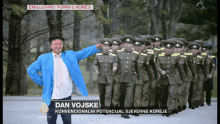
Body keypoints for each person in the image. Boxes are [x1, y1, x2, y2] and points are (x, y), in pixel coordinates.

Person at [27, 36, 104, 124]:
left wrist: (95, 48)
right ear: (51, 46)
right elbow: (31, 70)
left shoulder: (70, 55)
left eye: (60, 44)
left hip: (66, 97)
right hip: (51, 98)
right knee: (51, 121)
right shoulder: (44, 58)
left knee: (67, 121)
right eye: (56, 44)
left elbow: (82, 53)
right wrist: (42, 82)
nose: (58, 46)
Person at [156, 40, 187, 117]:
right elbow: (157, 66)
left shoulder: (176, 57)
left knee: (171, 94)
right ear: (164, 49)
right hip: (163, 79)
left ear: (172, 49)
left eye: (170, 49)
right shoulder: (160, 57)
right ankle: (164, 108)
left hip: (173, 79)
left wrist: (184, 78)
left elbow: (180, 68)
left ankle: (169, 109)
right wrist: (161, 71)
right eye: (166, 48)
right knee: (163, 94)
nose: (168, 50)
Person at [115, 34, 141, 119]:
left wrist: (139, 78)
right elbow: (115, 62)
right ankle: (123, 109)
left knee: (129, 96)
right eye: (126, 43)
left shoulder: (136, 54)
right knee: (120, 96)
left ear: (132, 45)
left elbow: (137, 67)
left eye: (129, 43)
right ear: (123, 44)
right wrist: (114, 66)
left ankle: (126, 112)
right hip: (121, 78)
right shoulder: (119, 53)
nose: (127, 45)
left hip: (131, 79)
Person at [93, 38, 118, 114]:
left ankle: (106, 108)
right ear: (102, 48)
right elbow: (95, 64)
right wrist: (96, 70)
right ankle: (103, 106)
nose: (106, 48)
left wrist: (114, 67)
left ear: (109, 48)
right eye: (104, 47)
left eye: (107, 47)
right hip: (101, 78)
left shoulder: (113, 56)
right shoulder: (98, 55)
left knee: (108, 94)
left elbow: (115, 62)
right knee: (102, 94)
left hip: (109, 78)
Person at [110, 37, 123, 108]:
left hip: (118, 75)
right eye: (113, 45)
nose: (114, 47)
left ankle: (115, 105)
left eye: (116, 46)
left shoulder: (121, 54)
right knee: (109, 91)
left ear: (119, 46)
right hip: (109, 75)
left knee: (116, 92)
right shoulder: (108, 54)